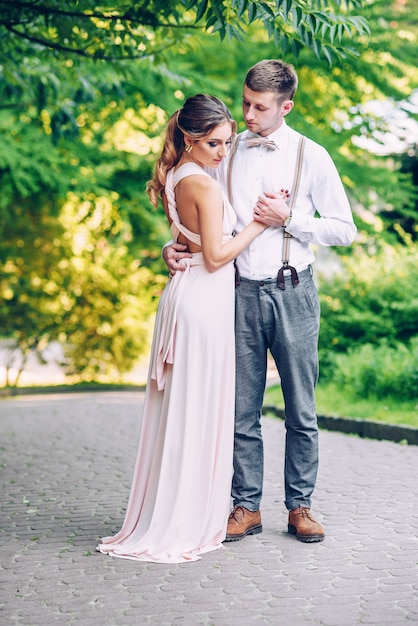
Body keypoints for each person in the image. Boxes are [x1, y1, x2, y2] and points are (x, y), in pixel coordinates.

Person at [163, 60, 357, 544]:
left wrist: (292, 218)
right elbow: (198, 211)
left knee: (301, 409)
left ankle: (300, 506)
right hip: (235, 294)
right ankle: (245, 506)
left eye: (259, 107)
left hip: (293, 290)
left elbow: (345, 230)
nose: (248, 114)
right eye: (245, 101)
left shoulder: (311, 155)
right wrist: (175, 246)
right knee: (239, 409)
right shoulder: (223, 151)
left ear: (286, 107)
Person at [97, 94, 288, 563]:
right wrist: (260, 225)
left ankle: (180, 509)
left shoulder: (179, 173)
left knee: (188, 411)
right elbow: (218, 254)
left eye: (226, 143)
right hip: (202, 301)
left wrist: (171, 246)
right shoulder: (199, 182)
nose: (223, 152)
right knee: (197, 411)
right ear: (189, 138)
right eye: (214, 144)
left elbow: (186, 238)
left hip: (191, 296)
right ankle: (183, 516)